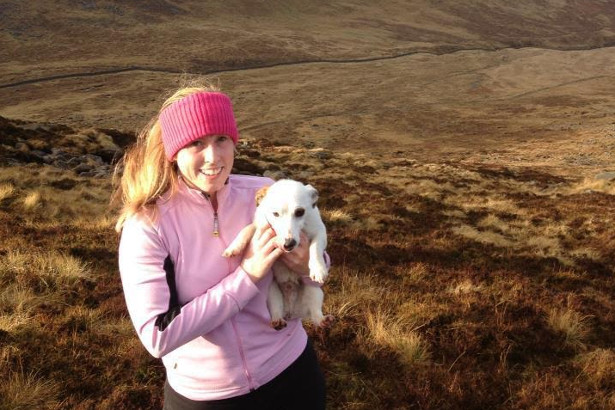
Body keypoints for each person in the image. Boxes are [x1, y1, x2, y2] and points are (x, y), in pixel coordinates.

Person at [113, 82, 328, 409]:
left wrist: (308, 264)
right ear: (174, 152)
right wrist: (247, 276)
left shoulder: (266, 193)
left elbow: (316, 262)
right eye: (196, 143)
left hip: (292, 374)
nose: (213, 157)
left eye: (221, 139)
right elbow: (158, 336)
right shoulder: (147, 225)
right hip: (206, 397)